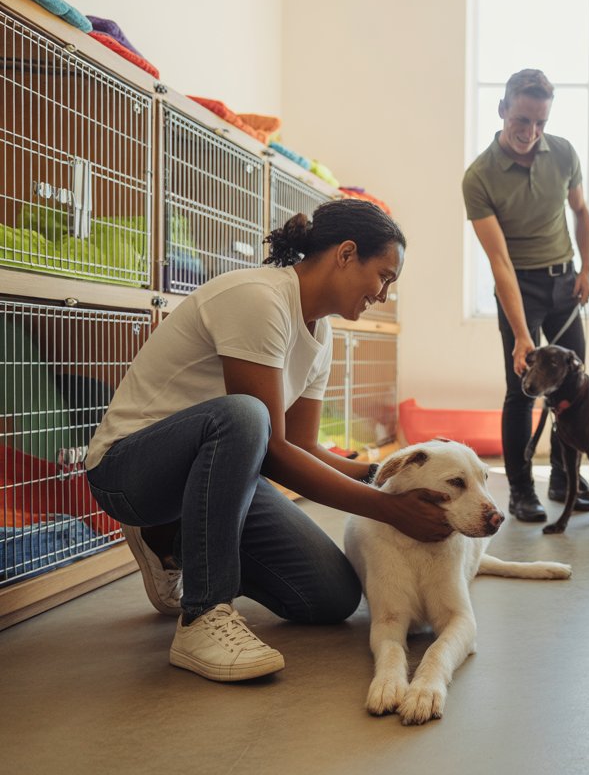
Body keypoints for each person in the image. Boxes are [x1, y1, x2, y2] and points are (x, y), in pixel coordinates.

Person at [85, 200, 451, 682]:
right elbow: (274, 450)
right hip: (130, 472)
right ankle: (203, 614)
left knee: (332, 596)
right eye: (383, 276)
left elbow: (302, 446)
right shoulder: (260, 298)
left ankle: (172, 542)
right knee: (246, 414)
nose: (382, 294)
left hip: (218, 471)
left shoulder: (323, 335)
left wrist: (391, 476)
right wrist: (389, 509)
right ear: (345, 254)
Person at [463, 68, 589, 523]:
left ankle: (564, 477)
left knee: (573, 384)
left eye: (540, 122)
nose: (530, 132)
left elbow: (580, 211)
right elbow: (499, 261)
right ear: (502, 110)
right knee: (523, 388)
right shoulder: (479, 176)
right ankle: (521, 489)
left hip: (564, 279)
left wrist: (586, 269)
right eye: (521, 120)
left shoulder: (562, 153)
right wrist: (522, 335)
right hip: (518, 284)